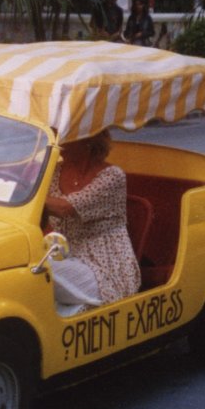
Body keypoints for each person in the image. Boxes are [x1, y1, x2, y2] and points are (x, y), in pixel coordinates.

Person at [45, 130, 141, 315]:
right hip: (63, 256)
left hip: (104, 268)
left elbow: (65, 208)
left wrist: (22, 195)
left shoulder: (113, 176)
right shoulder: (55, 171)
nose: (59, 143)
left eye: (66, 137)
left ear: (87, 141)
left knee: (32, 271)